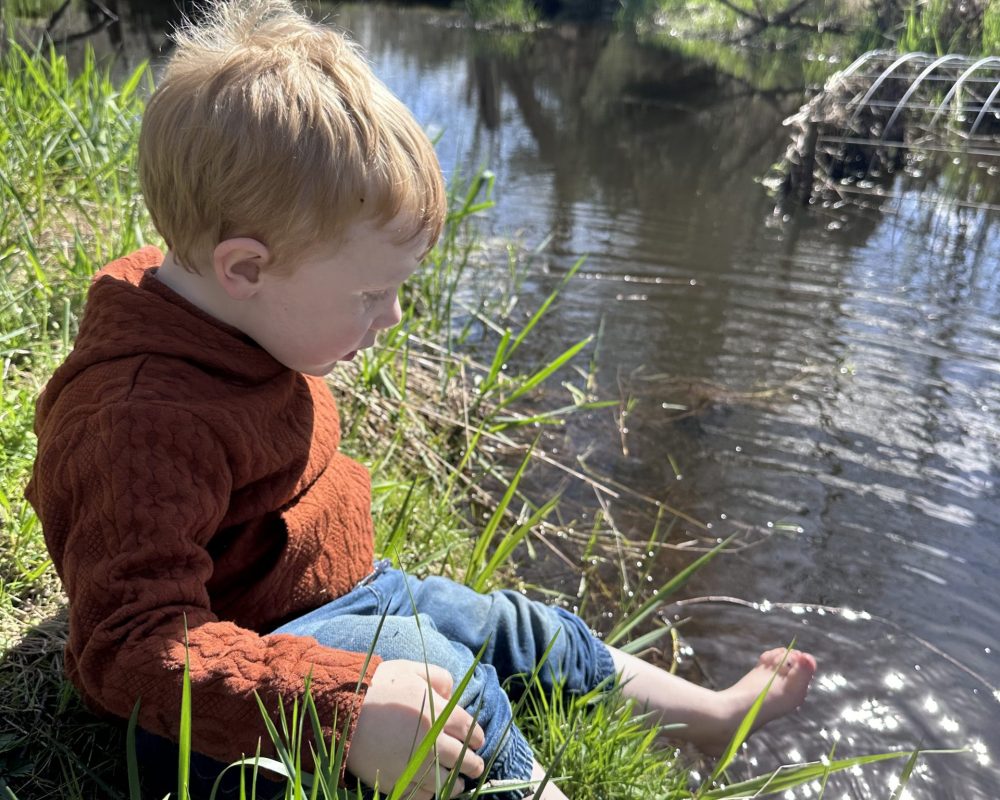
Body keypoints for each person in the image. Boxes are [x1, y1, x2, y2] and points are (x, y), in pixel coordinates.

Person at [24, 1, 817, 798]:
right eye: (372, 292)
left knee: (513, 626)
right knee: (431, 670)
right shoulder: (137, 422)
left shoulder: (246, 314)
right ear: (246, 269)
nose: (392, 316)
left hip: (328, 590)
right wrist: (339, 706)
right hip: (217, 701)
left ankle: (709, 716)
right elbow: (130, 650)